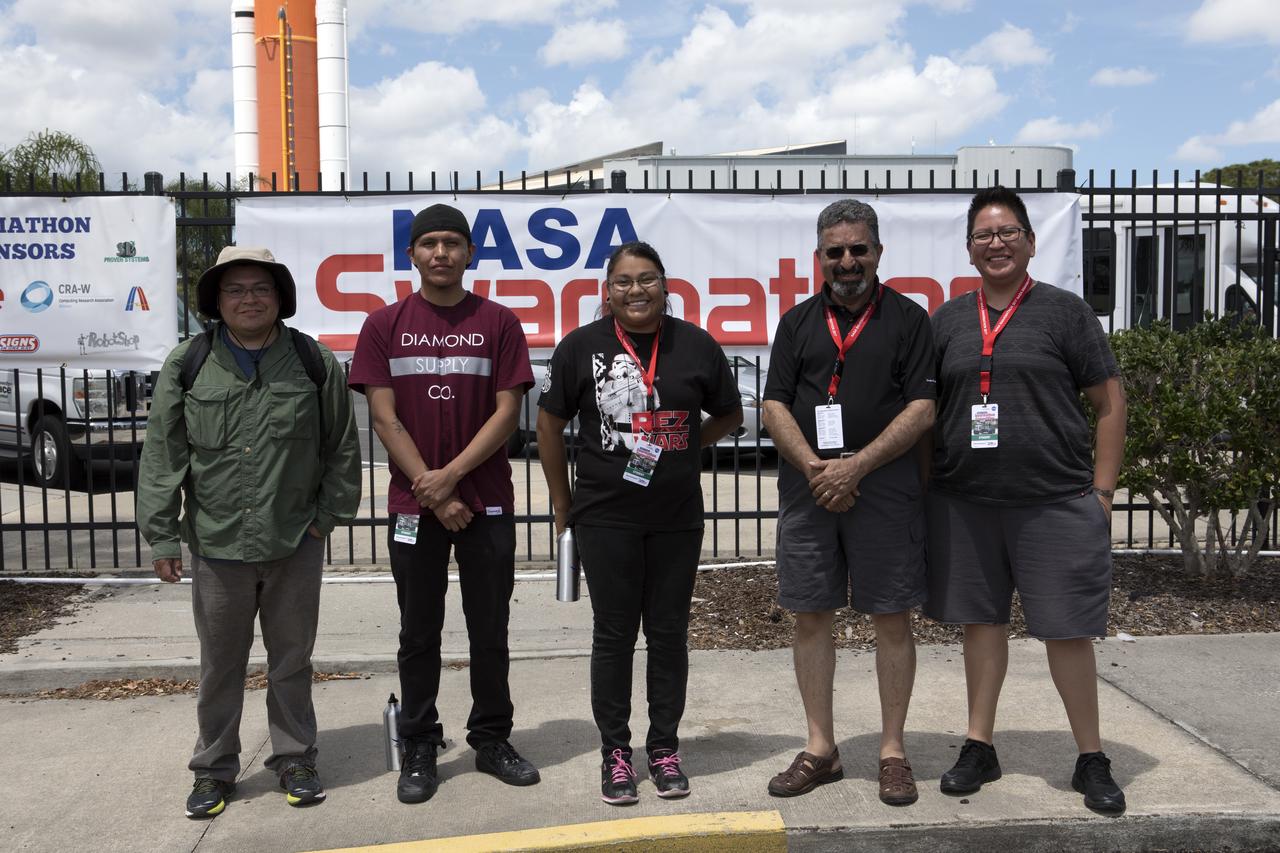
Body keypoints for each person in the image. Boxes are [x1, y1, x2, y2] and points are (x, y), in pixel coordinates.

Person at [137, 246, 361, 818]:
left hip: (295, 542)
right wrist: (162, 536)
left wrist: (326, 519)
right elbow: (163, 455)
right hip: (218, 544)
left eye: (261, 288)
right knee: (220, 665)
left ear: (280, 297)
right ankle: (213, 769)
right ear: (217, 300)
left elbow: (341, 446)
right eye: (234, 289)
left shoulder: (312, 361)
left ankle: (296, 759)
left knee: (292, 660)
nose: (249, 299)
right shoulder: (188, 363)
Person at [925, 186, 1128, 813]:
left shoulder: (1066, 313)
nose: (997, 243)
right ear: (969, 249)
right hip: (967, 503)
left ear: (1031, 242)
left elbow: (1110, 403)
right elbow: (927, 413)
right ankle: (979, 746)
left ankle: (1091, 757)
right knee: (981, 627)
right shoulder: (947, 321)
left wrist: (1102, 493)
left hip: (1054, 501)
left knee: (1067, 633)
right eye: (984, 235)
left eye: (1008, 231)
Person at [536, 241, 744, 805]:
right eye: (623, 281)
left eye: (647, 279)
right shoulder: (580, 347)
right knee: (614, 634)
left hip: (676, 518)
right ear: (607, 291)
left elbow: (730, 413)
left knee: (669, 634)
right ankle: (616, 752)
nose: (636, 290)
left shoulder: (695, 344)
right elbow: (549, 426)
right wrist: (562, 504)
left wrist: (687, 447)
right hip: (606, 517)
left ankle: (665, 748)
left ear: (665, 285)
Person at [348, 203, 540, 805]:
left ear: (469, 253)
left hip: (485, 503)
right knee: (417, 632)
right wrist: (431, 492)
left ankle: (491, 738)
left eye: (452, 243)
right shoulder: (383, 324)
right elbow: (383, 416)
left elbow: (507, 413)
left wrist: (450, 479)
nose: (440, 253)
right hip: (414, 507)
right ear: (411, 254)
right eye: (429, 243)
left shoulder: (499, 322)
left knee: (490, 629)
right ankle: (420, 743)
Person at [761, 199, 936, 806]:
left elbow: (922, 408)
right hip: (809, 492)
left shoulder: (910, 320)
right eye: (835, 251)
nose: (847, 261)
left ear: (878, 252)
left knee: (891, 618)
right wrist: (817, 468)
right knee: (811, 616)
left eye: (858, 249)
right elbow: (774, 405)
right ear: (819, 257)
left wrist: (856, 466)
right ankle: (821, 749)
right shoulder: (796, 323)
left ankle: (892, 751)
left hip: (884, 492)